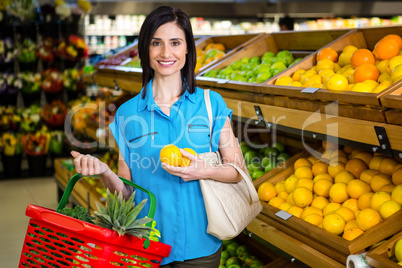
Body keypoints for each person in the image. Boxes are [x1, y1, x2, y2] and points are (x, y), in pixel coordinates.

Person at [70, 5, 245, 268]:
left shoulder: (211, 104)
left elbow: (237, 170)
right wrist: (106, 173)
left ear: (187, 48)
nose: (166, 53)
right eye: (156, 43)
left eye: (175, 42)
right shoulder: (127, 113)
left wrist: (203, 171)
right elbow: (127, 194)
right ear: (145, 49)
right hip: (145, 246)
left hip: (201, 245)